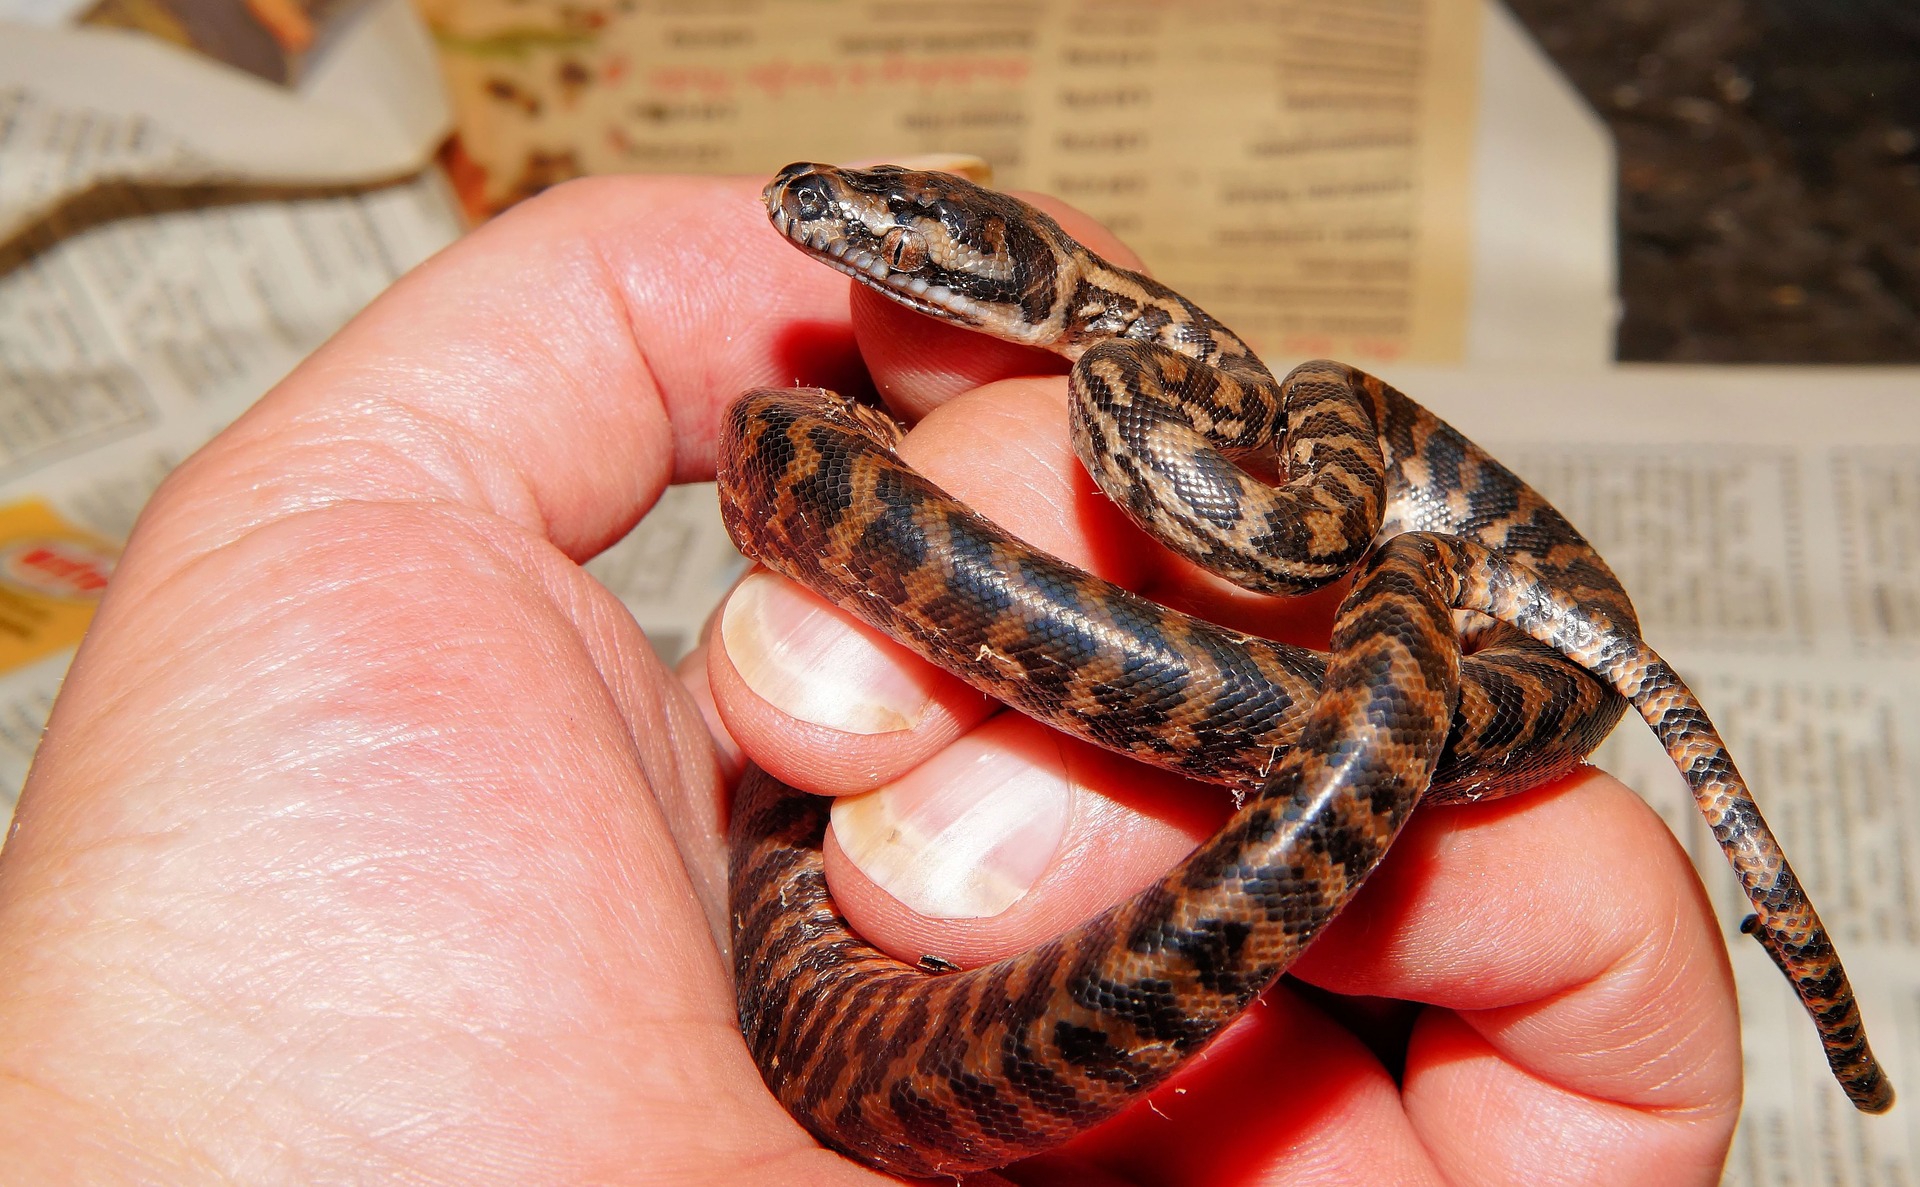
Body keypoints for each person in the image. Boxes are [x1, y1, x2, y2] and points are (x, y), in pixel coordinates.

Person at [0, 172, 1740, 1184]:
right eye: (878, 245)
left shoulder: (1191, 421)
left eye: (907, 248)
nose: (854, 248)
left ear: (1026, 286)